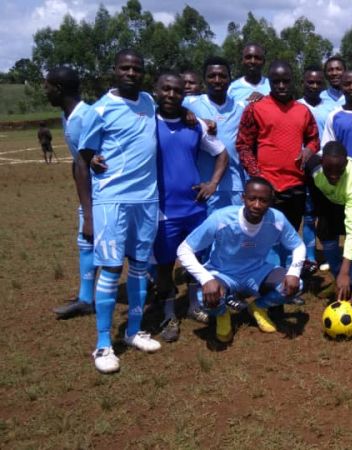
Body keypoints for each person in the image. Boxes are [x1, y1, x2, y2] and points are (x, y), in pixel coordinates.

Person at [77, 49, 162, 373]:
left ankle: (133, 331)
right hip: (112, 200)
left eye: (136, 68)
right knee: (112, 270)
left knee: (140, 267)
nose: (131, 72)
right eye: (124, 67)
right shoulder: (99, 110)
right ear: (114, 70)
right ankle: (102, 345)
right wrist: (88, 213)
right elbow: (83, 161)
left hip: (147, 200)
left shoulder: (149, 102)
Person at [176, 178, 305, 341]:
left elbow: (298, 246)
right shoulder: (221, 218)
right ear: (243, 198)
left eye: (263, 200)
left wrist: (294, 271)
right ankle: (222, 314)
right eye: (252, 198)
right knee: (204, 298)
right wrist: (206, 278)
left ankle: (258, 306)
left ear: (271, 202)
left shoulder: (277, 219)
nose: (257, 205)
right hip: (223, 273)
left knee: (296, 285)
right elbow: (184, 249)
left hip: (257, 272)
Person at [152, 71, 228, 342]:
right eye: (166, 89)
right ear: (156, 91)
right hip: (162, 210)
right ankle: (169, 313)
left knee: (196, 260)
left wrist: (213, 184)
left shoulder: (194, 125)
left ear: (184, 95)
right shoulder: (147, 122)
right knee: (164, 265)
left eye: (177, 91)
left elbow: (221, 153)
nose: (171, 95)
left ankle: (195, 306)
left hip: (194, 207)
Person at [236, 60, 319, 274]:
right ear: (269, 82)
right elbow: (243, 145)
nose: (281, 86)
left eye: (286, 81)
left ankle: (284, 280)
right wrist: (259, 178)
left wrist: (309, 149)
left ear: (293, 82)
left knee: (288, 233)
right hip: (268, 187)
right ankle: (269, 281)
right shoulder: (255, 109)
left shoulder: (303, 111)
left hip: (295, 184)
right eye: (276, 81)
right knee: (267, 237)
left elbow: (313, 138)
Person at [44, 66, 95, 319]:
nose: (46, 92)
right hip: (88, 191)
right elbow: (79, 162)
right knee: (86, 242)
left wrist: (89, 212)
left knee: (131, 245)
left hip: (103, 194)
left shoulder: (84, 118)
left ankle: (160, 289)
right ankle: (85, 298)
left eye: (48, 86)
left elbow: (92, 162)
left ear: (59, 89)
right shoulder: (69, 116)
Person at [309, 141, 352, 300]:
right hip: (333, 199)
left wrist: (345, 270)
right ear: (321, 163)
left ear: (346, 163)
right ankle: (338, 280)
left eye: (339, 169)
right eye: (328, 169)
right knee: (325, 234)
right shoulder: (314, 170)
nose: (333, 175)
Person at [184, 56, 247, 214]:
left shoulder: (242, 106)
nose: (217, 80)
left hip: (236, 186)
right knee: (208, 235)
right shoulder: (189, 103)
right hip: (203, 186)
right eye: (212, 76)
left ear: (230, 79)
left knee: (234, 234)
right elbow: (162, 111)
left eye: (222, 76)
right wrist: (196, 118)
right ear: (204, 80)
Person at [298, 65, 336, 270]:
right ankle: (310, 257)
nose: (313, 86)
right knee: (308, 213)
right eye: (309, 82)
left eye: (318, 83)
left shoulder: (330, 106)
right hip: (303, 167)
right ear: (302, 83)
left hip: (327, 167)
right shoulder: (295, 105)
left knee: (327, 213)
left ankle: (332, 254)